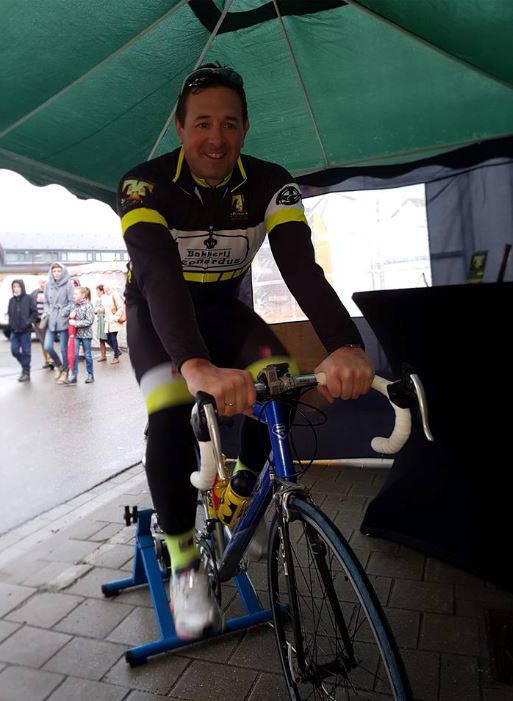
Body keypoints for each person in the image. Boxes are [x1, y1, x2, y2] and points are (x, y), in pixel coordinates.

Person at [117, 63, 374, 640]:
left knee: (279, 383)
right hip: (156, 314)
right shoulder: (143, 185)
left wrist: (345, 345)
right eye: (202, 123)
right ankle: (185, 562)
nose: (216, 138)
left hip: (222, 308)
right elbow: (158, 276)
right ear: (180, 128)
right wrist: (195, 365)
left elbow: (301, 268)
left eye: (229, 124)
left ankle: (242, 494)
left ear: (245, 128)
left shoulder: (270, 182)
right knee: (170, 412)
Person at [43, 262, 74, 384]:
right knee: (47, 346)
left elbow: (72, 302)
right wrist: (47, 311)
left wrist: (64, 312)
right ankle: (59, 365)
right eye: (54, 271)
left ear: (63, 272)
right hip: (51, 319)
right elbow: (46, 302)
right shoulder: (48, 284)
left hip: (63, 319)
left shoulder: (68, 284)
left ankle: (65, 371)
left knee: (63, 349)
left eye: (59, 271)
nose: (56, 273)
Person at [7, 279, 38, 382]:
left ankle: (26, 372)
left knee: (26, 352)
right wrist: (11, 325)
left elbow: (35, 313)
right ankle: (25, 367)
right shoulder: (11, 300)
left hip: (25, 331)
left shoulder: (29, 298)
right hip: (14, 331)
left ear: (22, 287)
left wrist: (28, 322)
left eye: (18, 286)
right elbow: (9, 314)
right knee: (14, 351)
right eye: (14, 287)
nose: (16, 289)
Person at [64, 286, 95, 384]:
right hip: (75, 334)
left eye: (76, 294)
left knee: (87, 355)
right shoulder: (72, 305)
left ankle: (90, 375)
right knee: (74, 354)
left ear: (83, 295)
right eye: (73, 294)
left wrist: (75, 323)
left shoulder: (88, 305)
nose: (73, 296)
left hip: (86, 334)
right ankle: (74, 376)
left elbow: (89, 321)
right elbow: (62, 313)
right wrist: (70, 316)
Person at [30, 279, 53, 369]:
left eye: (45, 282)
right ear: (39, 283)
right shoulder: (34, 293)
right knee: (43, 341)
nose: (43, 283)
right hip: (38, 321)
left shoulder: (51, 292)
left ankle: (51, 359)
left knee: (49, 340)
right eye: (42, 282)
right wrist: (32, 319)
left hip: (49, 320)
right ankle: (47, 360)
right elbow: (30, 307)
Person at [102, 285, 124, 364]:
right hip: (107, 321)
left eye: (105, 285)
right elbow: (105, 308)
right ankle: (117, 351)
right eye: (103, 286)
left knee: (113, 338)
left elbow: (121, 307)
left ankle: (116, 357)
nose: (104, 287)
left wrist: (115, 318)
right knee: (107, 338)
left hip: (114, 320)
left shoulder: (115, 294)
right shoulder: (105, 296)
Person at [94, 284, 108, 361]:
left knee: (107, 338)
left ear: (102, 291)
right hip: (100, 320)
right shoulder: (98, 300)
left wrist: (99, 310)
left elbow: (104, 310)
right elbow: (95, 311)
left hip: (105, 320)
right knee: (101, 339)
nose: (97, 292)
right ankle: (103, 356)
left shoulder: (106, 299)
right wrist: (98, 310)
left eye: (98, 291)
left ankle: (116, 351)